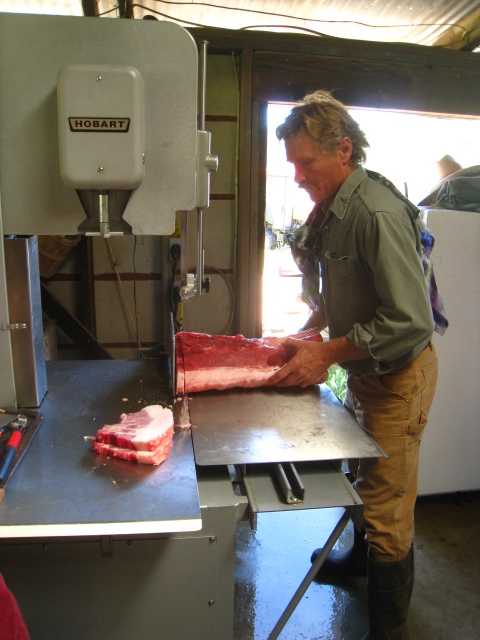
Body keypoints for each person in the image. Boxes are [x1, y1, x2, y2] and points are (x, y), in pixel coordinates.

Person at [270, 90, 439, 640]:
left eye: (305, 162)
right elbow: (343, 289)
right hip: (366, 368)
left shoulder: (376, 213)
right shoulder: (333, 207)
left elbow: (410, 321)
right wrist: (313, 327)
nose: (296, 175)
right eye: (291, 163)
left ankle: (388, 629)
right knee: (365, 475)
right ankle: (361, 561)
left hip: (398, 374)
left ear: (343, 150)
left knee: (389, 504)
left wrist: (327, 352)